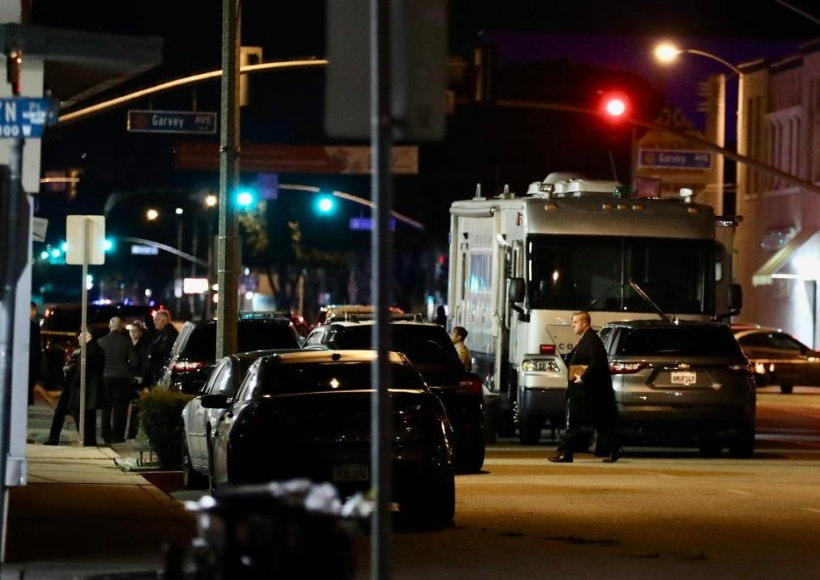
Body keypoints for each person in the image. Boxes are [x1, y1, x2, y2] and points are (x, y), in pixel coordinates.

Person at [549, 311, 622, 464]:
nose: (573, 326)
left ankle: (565, 453)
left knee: (575, 422)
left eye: (575, 322)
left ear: (585, 323)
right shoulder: (585, 340)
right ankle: (614, 450)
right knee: (599, 422)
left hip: (587, 391)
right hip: (587, 391)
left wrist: (583, 377)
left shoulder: (591, 340)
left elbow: (597, 361)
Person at [67, 330, 107, 446]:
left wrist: (73, 382)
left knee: (81, 417)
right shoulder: (98, 349)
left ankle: (86, 441)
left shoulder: (86, 351)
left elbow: (81, 371)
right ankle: (90, 441)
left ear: (88, 336)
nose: (79, 339)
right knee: (90, 417)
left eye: (81, 336)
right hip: (93, 389)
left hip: (83, 390)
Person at [98, 317, 133, 444]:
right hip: (122, 378)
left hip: (105, 377)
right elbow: (134, 361)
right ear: (121, 327)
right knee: (120, 408)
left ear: (109, 326)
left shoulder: (101, 342)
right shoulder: (126, 342)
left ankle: (105, 434)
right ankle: (117, 435)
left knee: (106, 408)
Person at [126, 320, 152, 439]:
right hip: (128, 377)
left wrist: (142, 376)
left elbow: (145, 363)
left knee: (136, 406)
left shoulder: (145, 345)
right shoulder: (127, 343)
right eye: (131, 331)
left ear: (141, 332)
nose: (133, 333)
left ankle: (133, 432)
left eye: (135, 331)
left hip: (139, 379)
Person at [147, 309, 178, 385]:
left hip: (163, 371)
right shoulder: (161, 333)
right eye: (154, 320)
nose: (155, 322)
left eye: (157, 320)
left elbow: (164, 351)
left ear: (165, 321)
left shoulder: (169, 334)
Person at [28, 301, 44, 407]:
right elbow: (36, 348)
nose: (34, 313)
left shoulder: (34, 326)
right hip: (30, 364)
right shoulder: (33, 327)